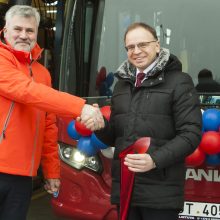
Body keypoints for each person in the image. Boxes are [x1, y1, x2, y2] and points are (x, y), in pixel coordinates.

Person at [0, 5, 104, 220]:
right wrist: (80, 107)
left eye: (30, 30)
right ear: (5, 29)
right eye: (17, 29)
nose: (23, 35)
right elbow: (25, 90)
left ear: (37, 32)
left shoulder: (42, 74)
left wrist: (52, 172)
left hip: (22, 175)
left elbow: (48, 127)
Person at [94, 22, 202, 220]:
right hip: (125, 190)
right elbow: (117, 137)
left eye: (143, 44)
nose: (137, 51)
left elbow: (191, 134)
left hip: (161, 195)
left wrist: (154, 160)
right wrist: (100, 125)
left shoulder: (179, 81)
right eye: (130, 47)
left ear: (157, 45)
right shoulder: (121, 86)